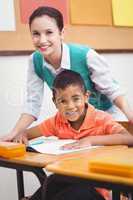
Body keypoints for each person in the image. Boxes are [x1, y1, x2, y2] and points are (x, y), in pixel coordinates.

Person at [1, 6, 133, 143]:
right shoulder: (35, 61)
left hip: (103, 119)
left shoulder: (86, 55)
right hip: (73, 121)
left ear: (61, 33)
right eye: (36, 33)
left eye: (49, 32)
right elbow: (32, 103)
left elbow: (112, 91)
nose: (42, 40)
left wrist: (130, 114)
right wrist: (14, 133)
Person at [21, 70, 133, 200]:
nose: (70, 106)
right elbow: (27, 133)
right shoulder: (58, 121)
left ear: (86, 96)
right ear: (55, 102)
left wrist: (90, 140)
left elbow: (129, 138)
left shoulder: (101, 119)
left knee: (71, 190)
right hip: (69, 180)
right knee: (52, 181)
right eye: (63, 101)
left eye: (76, 99)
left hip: (98, 189)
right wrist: (21, 135)